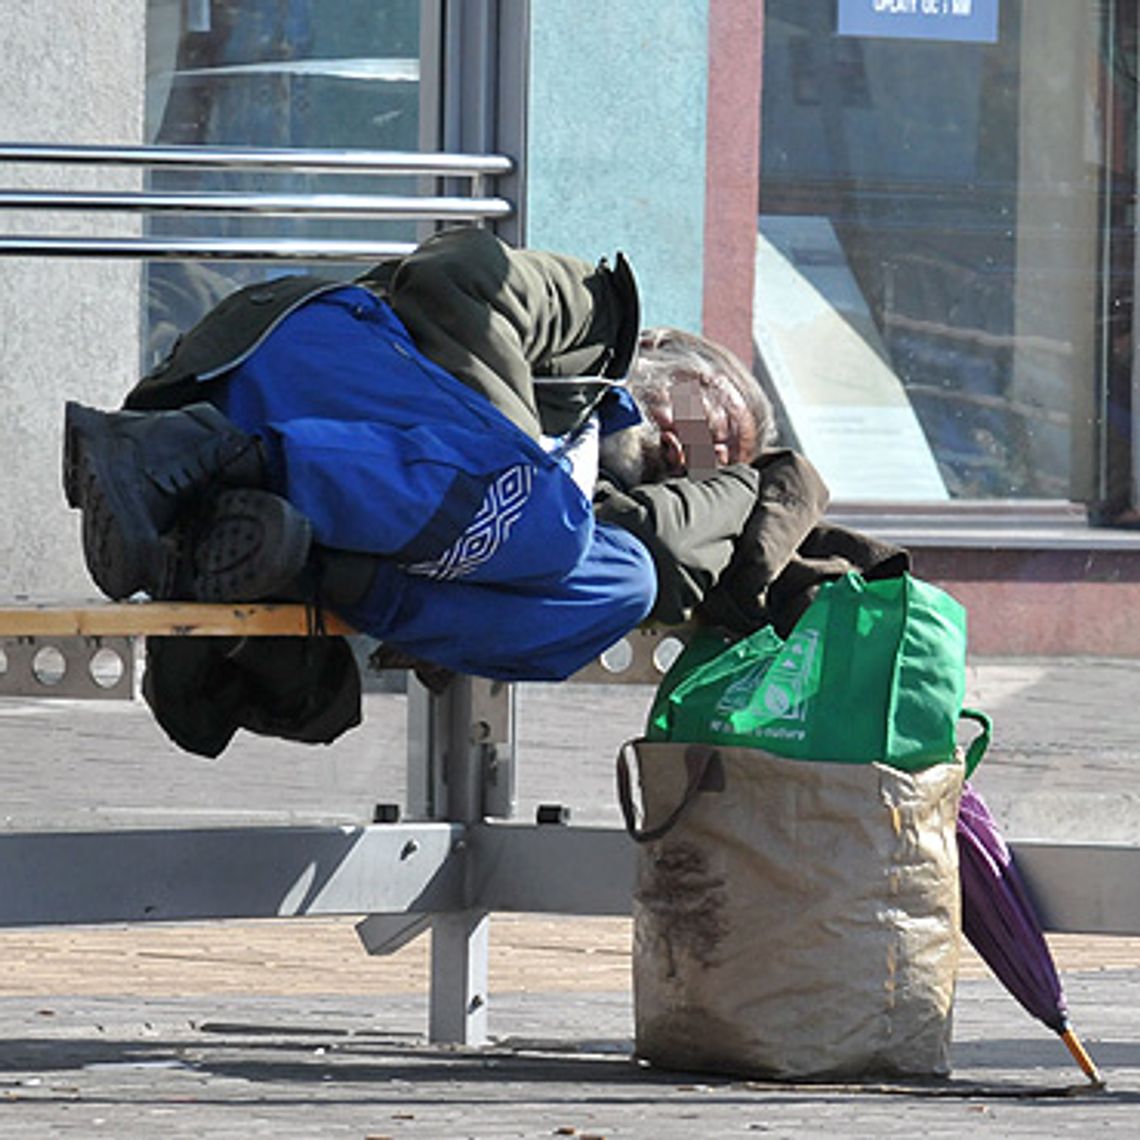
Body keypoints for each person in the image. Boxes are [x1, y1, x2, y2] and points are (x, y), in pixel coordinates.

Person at [63, 226, 903, 755]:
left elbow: (656, 553)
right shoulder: (593, 317)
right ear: (663, 351)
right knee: (546, 519)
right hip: (293, 368)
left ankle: (266, 549)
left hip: (324, 521)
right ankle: (209, 457)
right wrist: (513, 453)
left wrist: (737, 494)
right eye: (706, 410)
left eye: (709, 462)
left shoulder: (597, 496)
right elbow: (450, 272)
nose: (694, 444)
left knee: (623, 582)